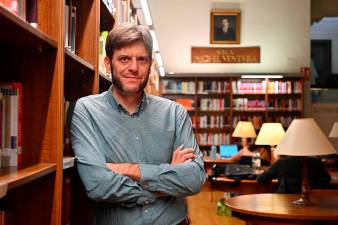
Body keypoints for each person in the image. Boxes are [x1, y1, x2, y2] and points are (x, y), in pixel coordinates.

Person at [70, 23, 206, 225]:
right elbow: (97, 184)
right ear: (108, 64)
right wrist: (168, 178)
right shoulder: (86, 111)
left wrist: (129, 169)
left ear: (149, 65)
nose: (134, 67)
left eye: (141, 59)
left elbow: (194, 179)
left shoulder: (174, 113)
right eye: (124, 58)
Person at [257, 156, 331, 193]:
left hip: (285, 202)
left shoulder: (281, 162)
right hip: (312, 201)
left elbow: (261, 180)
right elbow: (327, 180)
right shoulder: (316, 162)